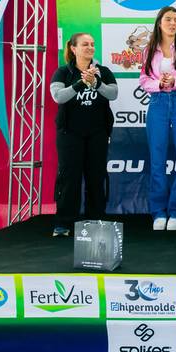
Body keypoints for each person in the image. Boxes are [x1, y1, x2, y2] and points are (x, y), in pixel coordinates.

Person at [49, 33, 117, 237]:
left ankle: (95, 220)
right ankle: (64, 223)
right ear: (73, 48)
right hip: (70, 134)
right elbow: (58, 97)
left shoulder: (103, 72)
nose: (90, 47)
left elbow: (113, 93)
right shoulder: (63, 72)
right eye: (85, 44)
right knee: (69, 178)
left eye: (92, 44)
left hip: (97, 133)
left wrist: (96, 82)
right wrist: (80, 83)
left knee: (96, 177)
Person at [139, 6, 176, 231]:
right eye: (168, 19)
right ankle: (158, 211)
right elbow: (144, 79)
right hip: (158, 103)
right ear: (159, 23)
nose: (173, 23)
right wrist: (159, 84)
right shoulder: (149, 50)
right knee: (157, 160)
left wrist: (175, 81)